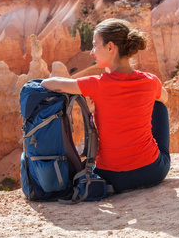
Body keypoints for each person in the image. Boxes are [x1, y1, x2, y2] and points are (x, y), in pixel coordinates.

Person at [41, 18, 170, 193]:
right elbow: (165, 98)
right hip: (152, 172)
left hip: (112, 178)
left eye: (95, 45)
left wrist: (100, 107)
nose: (92, 52)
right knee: (159, 105)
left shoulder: (97, 84)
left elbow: (50, 84)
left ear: (110, 47)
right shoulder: (150, 81)